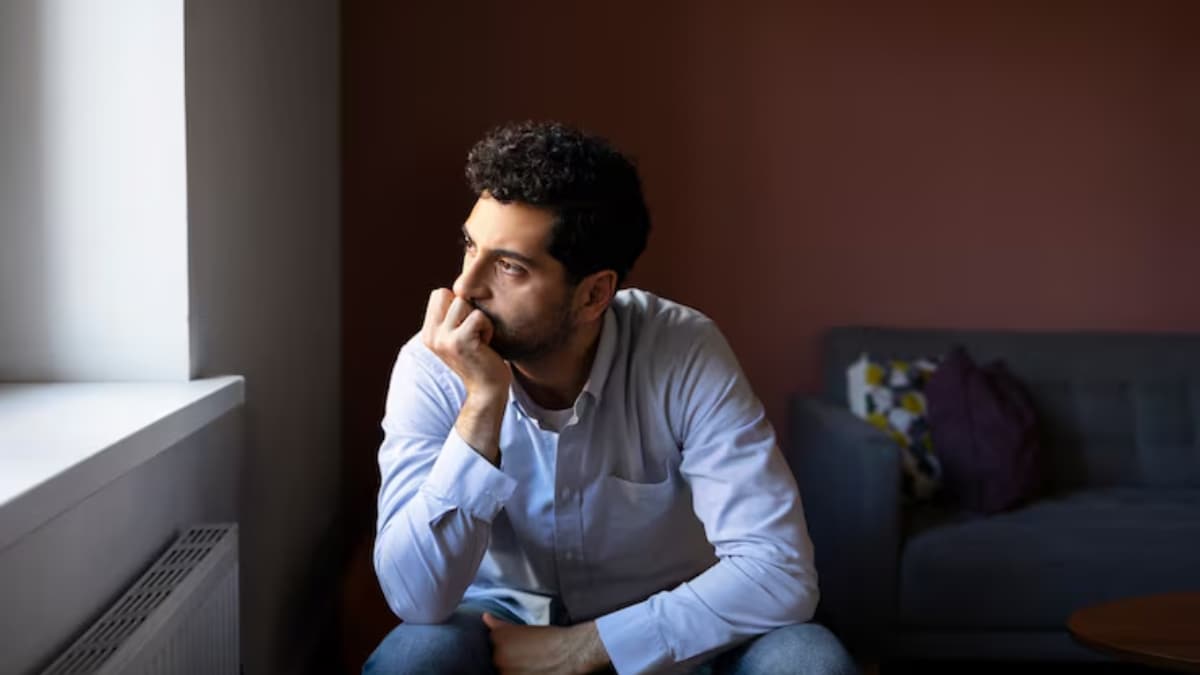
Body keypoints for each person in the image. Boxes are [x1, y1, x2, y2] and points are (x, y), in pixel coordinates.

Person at [364, 121, 856, 675]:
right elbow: (415, 600)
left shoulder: (683, 350)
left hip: (673, 628)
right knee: (413, 657)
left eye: (508, 266)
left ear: (595, 293)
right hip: (500, 626)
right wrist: (481, 407)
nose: (465, 288)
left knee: (809, 661)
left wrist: (587, 647)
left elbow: (780, 570)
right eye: (470, 247)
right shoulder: (432, 364)